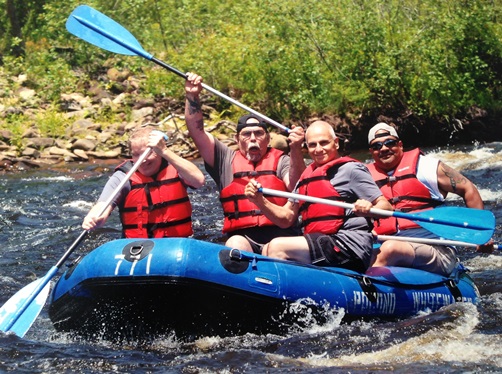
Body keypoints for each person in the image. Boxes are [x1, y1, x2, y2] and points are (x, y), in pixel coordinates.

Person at [244, 120, 393, 273]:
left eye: (324, 143)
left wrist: (369, 208)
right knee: (268, 247)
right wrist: (259, 200)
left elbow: (386, 207)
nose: (318, 149)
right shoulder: (306, 177)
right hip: (321, 243)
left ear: (336, 143)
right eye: (312, 145)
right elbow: (286, 218)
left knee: (276, 247)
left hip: (349, 246)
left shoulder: (351, 170)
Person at [184, 72, 307, 253]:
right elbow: (197, 132)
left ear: (268, 138)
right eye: (246, 134)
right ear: (237, 139)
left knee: (274, 249)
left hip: (282, 236)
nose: (253, 139)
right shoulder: (225, 160)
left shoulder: (282, 160)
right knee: (235, 244)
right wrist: (192, 95)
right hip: (244, 237)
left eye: (258, 133)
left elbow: (296, 184)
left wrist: (296, 148)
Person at [366, 122, 494, 275]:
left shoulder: (426, 167)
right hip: (382, 244)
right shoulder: (363, 176)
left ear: (400, 145)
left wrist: (478, 233)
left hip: (435, 248)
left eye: (390, 143)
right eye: (377, 146)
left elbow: (468, 189)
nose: (384, 148)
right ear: (371, 152)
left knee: (390, 249)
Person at [82, 126, 205, 238]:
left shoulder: (176, 167)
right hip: (138, 249)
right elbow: (103, 205)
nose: (143, 160)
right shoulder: (123, 177)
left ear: (159, 151)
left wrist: (165, 151)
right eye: (136, 155)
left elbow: (198, 180)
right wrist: (94, 217)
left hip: (178, 244)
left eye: (148, 153)